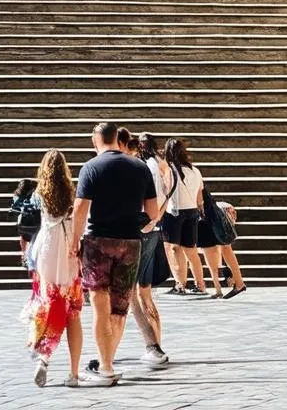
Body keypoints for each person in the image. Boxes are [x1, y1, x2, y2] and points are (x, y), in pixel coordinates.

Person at [70, 122, 159, 386]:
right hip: (130, 242)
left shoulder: (91, 167)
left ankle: (106, 366)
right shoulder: (140, 167)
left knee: (99, 305)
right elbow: (152, 214)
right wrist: (134, 222)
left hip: (98, 241)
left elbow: (80, 210)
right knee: (120, 308)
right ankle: (107, 363)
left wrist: (74, 242)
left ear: (95, 140)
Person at [24, 149, 84, 388]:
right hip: (68, 248)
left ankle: (43, 357)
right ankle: (74, 372)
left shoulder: (40, 193)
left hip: (47, 249)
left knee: (47, 304)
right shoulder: (73, 192)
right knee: (72, 313)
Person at [131, 132, 172, 368]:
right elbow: (166, 197)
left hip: (142, 229)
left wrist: (147, 221)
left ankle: (153, 344)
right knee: (145, 292)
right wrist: (157, 220)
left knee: (137, 293)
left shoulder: (143, 167)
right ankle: (156, 341)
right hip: (154, 228)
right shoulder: (161, 165)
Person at [162, 138, 206, 296]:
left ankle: (180, 284)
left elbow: (164, 192)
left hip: (175, 212)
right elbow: (200, 195)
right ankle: (200, 284)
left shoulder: (169, 170)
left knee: (174, 249)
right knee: (191, 251)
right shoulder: (195, 170)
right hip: (192, 211)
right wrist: (199, 209)